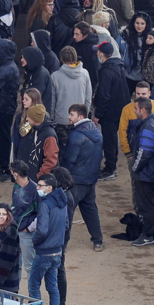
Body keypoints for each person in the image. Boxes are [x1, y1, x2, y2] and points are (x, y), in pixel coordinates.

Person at [127, 96, 154, 247]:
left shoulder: (147, 128)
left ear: (143, 110)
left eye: (136, 109)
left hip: (147, 175)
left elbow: (144, 153)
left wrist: (135, 168)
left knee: (146, 206)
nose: (134, 111)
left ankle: (147, 235)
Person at [61, 103, 104, 251]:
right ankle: (98, 240)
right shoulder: (97, 132)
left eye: (71, 114)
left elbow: (69, 160)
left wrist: (63, 178)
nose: (68, 117)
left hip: (75, 181)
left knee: (67, 212)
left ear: (80, 116)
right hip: (90, 179)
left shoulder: (76, 135)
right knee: (90, 210)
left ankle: (63, 244)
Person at [29, 174, 68, 305]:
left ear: (49, 188)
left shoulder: (45, 205)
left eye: (40, 185)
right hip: (57, 252)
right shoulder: (63, 203)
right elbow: (66, 225)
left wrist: (34, 240)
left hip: (44, 253)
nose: (37, 188)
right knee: (52, 287)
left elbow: (41, 231)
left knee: (34, 285)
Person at [0, 38, 22, 178]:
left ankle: (6, 168)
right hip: (1, 107)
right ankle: (3, 166)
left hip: (2, 108)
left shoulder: (5, 69)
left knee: (2, 139)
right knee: (0, 138)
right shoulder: (5, 66)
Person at [94, 44, 129, 179]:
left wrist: (98, 114)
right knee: (112, 140)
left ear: (102, 54)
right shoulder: (118, 67)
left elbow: (104, 95)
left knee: (109, 140)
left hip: (109, 113)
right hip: (118, 110)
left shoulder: (107, 72)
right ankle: (111, 165)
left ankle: (110, 169)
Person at [49, 47, 93, 145]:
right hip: (80, 119)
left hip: (61, 120)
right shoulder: (85, 74)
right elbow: (88, 97)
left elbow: (52, 101)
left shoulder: (55, 76)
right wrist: (85, 115)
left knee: (62, 150)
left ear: (61, 59)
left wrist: (52, 118)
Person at [9, 160, 40, 281]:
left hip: (26, 234)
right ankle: (15, 295)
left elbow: (41, 213)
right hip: (15, 230)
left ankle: (33, 297)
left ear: (16, 174)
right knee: (16, 266)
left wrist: (29, 228)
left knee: (29, 266)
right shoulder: (16, 186)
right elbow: (14, 205)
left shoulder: (35, 190)